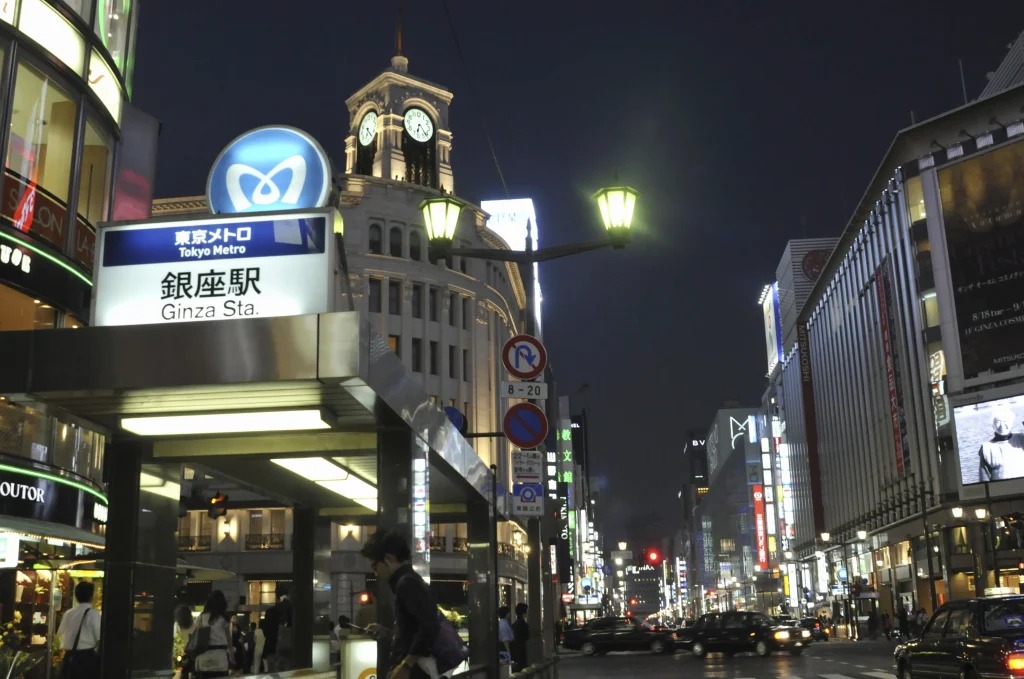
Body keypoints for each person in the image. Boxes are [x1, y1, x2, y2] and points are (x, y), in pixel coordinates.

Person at [361, 529, 441, 679]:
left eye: (375, 566)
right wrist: (387, 632)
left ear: (389, 558)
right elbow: (414, 630)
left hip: (415, 672)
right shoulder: (409, 580)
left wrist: (406, 666)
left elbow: (429, 627)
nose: (376, 573)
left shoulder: (407, 583)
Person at [57, 581, 102, 679]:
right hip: (86, 659)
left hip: (68, 659)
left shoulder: (68, 613)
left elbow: (60, 633)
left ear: (76, 596)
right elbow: (100, 638)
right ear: (91, 596)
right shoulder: (93, 614)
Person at [192, 590, 234, 678]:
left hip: (204, 656)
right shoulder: (224, 619)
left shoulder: (201, 617)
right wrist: (232, 657)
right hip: (220, 657)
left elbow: (195, 633)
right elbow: (229, 639)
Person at [979, 406, 1024, 481]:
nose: (1002, 425)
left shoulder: (1021, 438)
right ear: (993, 426)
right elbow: (984, 480)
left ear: (1012, 423)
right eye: (998, 422)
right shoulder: (986, 448)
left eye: (1005, 421)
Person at [261, 586, 294, 671]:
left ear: (276, 596)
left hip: (271, 647)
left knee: (273, 673)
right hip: (288, 647)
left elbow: (265, 631)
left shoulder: (270, 612)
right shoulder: (292, 610)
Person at [512, 603, 530, 670]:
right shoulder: (523, 624)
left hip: (516, 651)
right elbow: (527, 636)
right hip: (522, 650)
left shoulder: (514, 625)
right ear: (524, 613)